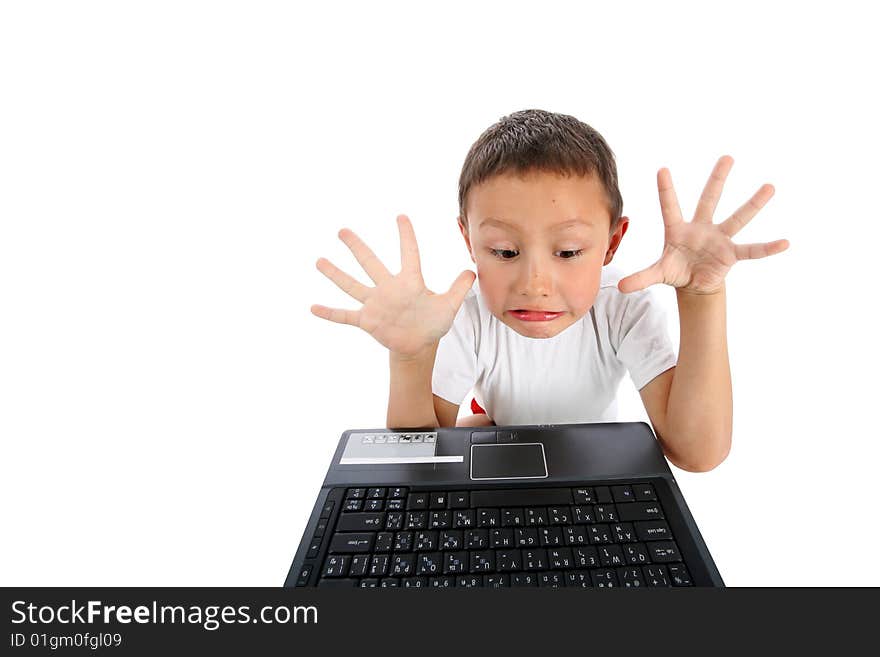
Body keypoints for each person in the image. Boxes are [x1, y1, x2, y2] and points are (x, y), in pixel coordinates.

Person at [310, 109, 789, 472]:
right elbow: (418, 458)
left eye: (567, 252)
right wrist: (411, 358)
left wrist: (703, 297)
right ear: (469, 242)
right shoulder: (466, 315)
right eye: (502, 251)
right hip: (506, 469)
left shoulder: (622, 304)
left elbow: (697, 452)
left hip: (598, 474)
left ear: (611, 243)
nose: (534, 285)